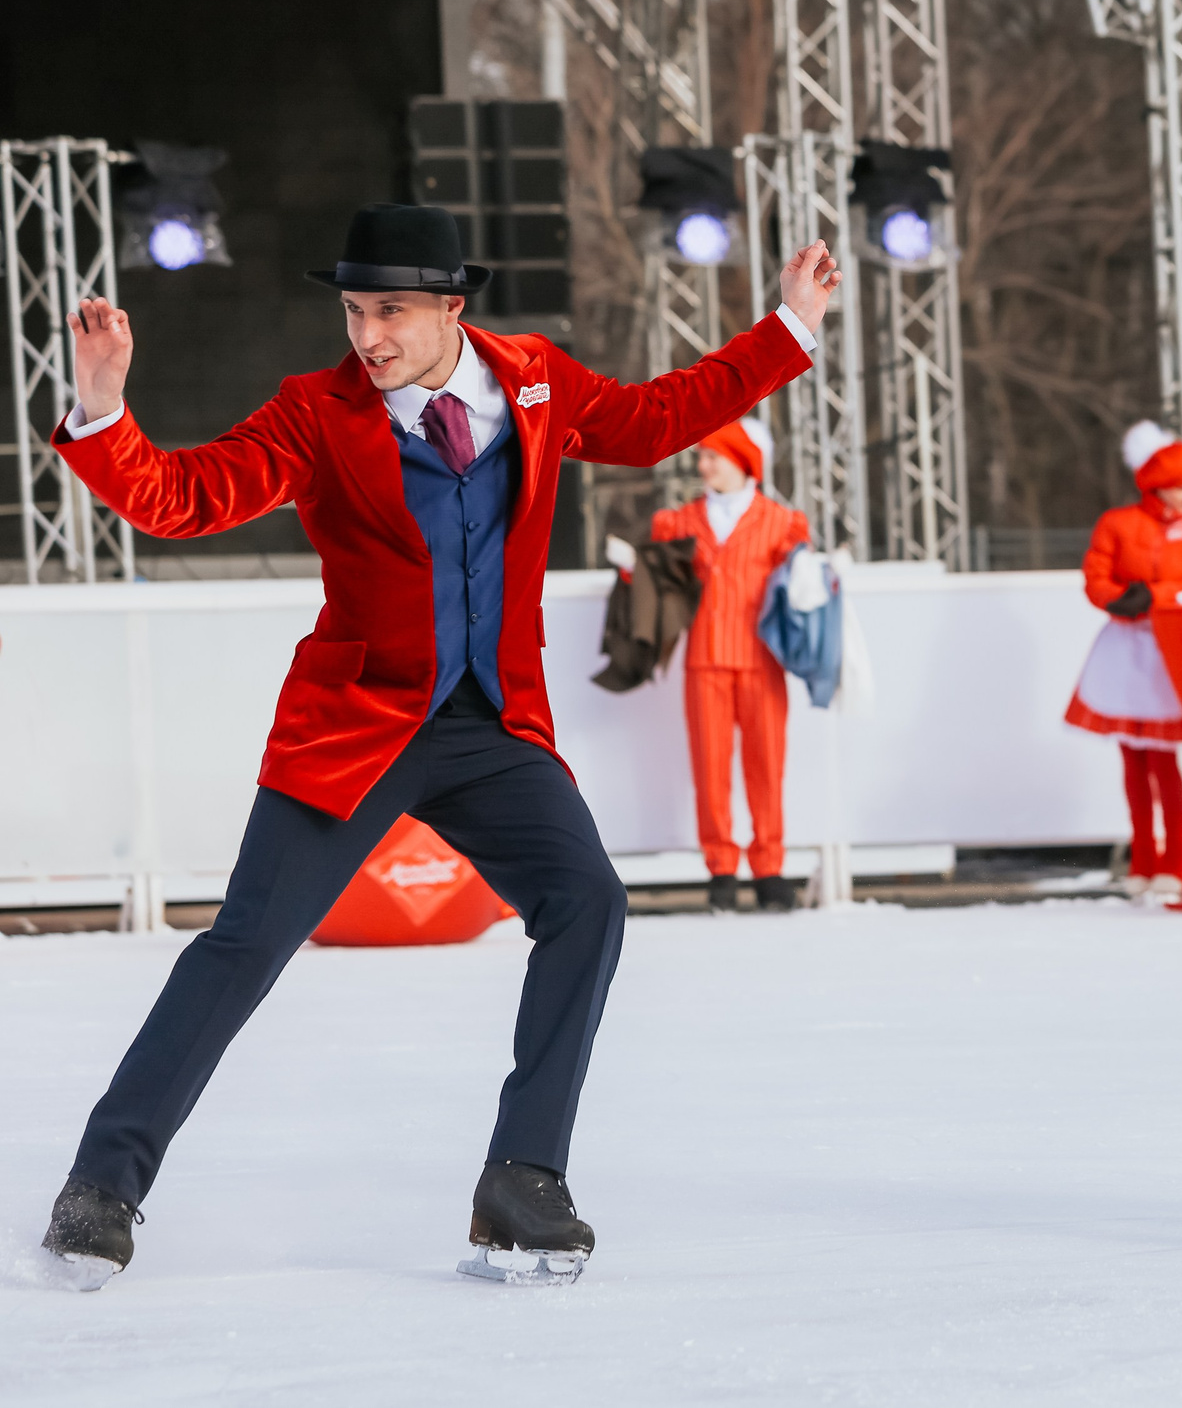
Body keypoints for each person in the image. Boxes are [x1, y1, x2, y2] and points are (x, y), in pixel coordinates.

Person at [36, 203, 840, 1289]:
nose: (367, 335)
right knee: (244, 946)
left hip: (491, 722)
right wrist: (104, 410)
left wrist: (784, 330)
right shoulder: (314, 412)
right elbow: (187, 499)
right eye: (357, 310)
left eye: (392, 312)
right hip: (356, 726)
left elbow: (654, 420)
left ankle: (523, 1180)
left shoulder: (537, 381)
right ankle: (102, 1185)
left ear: (450, 309)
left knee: (587, 902)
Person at [652, 417, 811, 912]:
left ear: (742, 461)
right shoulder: (681, 521)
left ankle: (769, 868)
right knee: (710, 769)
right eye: (701, 456)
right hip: (704, 659)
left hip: (762, 661)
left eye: (712, 456)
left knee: (767, 766)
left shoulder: (782, 522)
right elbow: (661, 578)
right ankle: (721, 868)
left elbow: (801, 585)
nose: (702, 466)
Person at [1065, 422, 1182, 903]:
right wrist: (1117, 600)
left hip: (1169, 648)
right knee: (1133, 758)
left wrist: (1151, 597)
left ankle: (1175, 860)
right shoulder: (1118, 524)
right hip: (1125, 648)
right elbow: (1097, 575)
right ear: (1157, 486)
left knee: (1164, 761)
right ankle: (1142, 857)